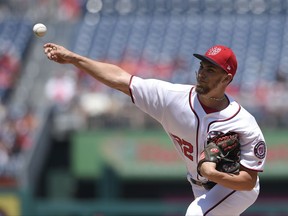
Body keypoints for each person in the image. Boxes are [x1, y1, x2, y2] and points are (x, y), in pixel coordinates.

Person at [43, 43, 267, 216]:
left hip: (235, 190)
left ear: (226, 78)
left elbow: (248, 182)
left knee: (196, 213)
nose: (202, 73)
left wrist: (211, 172)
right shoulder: (172, 98)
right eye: (202, 66)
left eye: (210, 69)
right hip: (198, 186)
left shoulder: (244, 124)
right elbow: (121, 79)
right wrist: (74, 58)